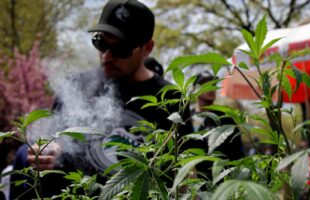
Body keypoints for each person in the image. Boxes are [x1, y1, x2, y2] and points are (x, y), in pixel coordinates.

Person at [10, 0, 192, 199]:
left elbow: (189, 169)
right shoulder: (76, 85)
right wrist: (47, 151)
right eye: (101, 43)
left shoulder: (171, 99)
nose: (106, 56)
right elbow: (55, 139)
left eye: (121, 48)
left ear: (147, 48)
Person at [191, 71, 244, 177]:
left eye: (214, 85)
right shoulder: (186, 117)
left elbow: (237, 151)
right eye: (205, 85)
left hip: (219, 178)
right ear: (194, 89)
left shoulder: (224, 118)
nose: (211, 88)